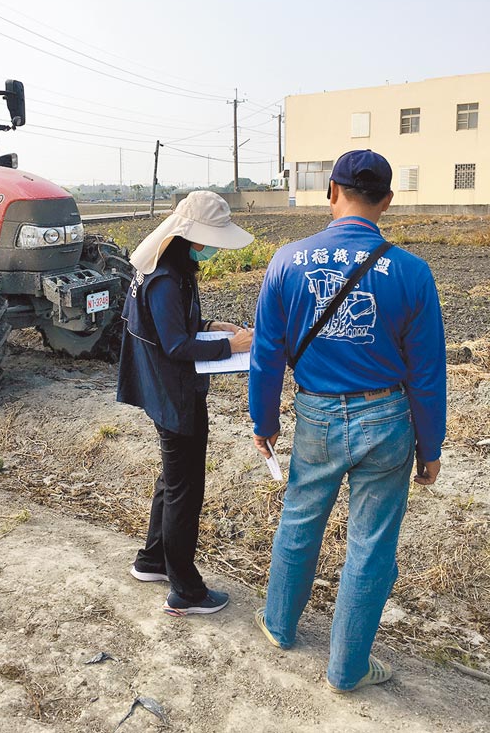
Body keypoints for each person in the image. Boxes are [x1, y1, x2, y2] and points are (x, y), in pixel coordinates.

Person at [249, 149, 446, 693]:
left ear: (330, 192)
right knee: (371, 543)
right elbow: (428, 372)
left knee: (299, 519)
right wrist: (431, 446)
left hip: (316, 415)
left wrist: (263, 421)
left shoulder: (286, 261)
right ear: (387, 201)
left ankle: (279, 625)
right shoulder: (411, 272)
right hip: (387, 418)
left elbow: (267, 353)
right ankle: (348, 667)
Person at [118, 190, 254, 616]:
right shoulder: (165, 277)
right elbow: (176, 345)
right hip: (175, 395)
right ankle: (185, 590)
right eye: (210, 238)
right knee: (185, 490)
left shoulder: (171, 265)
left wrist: (212, 325)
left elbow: (174, 324)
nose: (212, 247)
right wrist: (229, 347)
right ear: (191, 235)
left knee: (172, 480)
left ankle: (153, 560)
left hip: (168, 391)